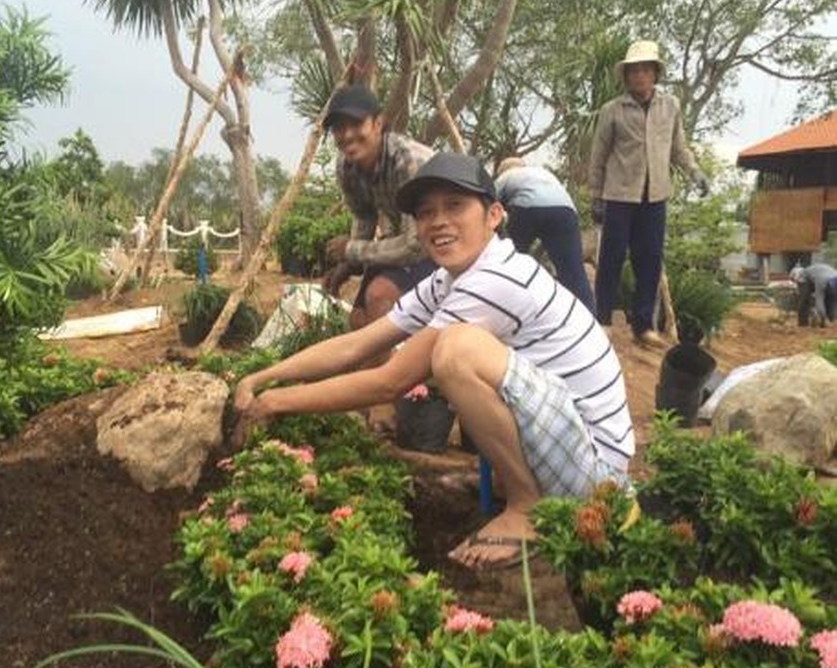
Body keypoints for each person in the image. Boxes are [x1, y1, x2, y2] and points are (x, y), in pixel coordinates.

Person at [235, 152, 634, 568]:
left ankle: (527, 506)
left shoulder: (497, 278)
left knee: (456, 350)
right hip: (569, 445)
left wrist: (276, 402)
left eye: (455, 206)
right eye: (425, 213)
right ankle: (519, 485)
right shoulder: (449, 278)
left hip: (597, 477)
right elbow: (359, 344)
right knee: (454, 347)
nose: (438, 221)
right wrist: (265, 377)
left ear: (494, 215)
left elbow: (389, 382)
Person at [589, 40, 709, 350]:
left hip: (655, 198)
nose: (640, 76)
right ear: (626, 77)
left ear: (655, 73)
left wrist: (695, 172)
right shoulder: (612, 111)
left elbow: (678, 148)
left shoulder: (670, 107)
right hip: (619, 197)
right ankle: (602, 320)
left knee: (649, 262)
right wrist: (595, 197)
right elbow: (598, 156)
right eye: (634, 71)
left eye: (645, 70)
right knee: (611, 260)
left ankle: (643, 326)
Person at [320, 84, 436, 330]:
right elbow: (363, 216)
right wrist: (347, 265)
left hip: (441, 243)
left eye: (356, 124)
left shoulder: (407, 162)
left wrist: (352, 250)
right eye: (339, 128)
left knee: (380, 296)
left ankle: (394, 368)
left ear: (378, 123)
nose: (348, 134)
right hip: (407, 241)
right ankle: (373, 366)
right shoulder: (347, 166)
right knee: (359, 320)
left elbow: (416, 246)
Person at [494, 157, 596, 311]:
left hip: (527, 208)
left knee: (508, 260)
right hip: (565, 211)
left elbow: (488, 205)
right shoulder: (543, 173)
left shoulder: (506, 176)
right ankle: (589, 318)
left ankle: (503, 307)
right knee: (573, 271)